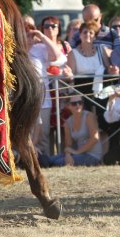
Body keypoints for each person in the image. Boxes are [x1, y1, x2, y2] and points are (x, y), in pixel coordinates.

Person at [27, 22, 66, 157]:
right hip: (24, 98)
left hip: (43, 99)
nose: (29, 37)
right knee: (26, 132)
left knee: (43, 134)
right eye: (26, 33)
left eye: (31, 34)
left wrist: (42, 36)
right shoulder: (15, 49)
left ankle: (44, 161)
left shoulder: (40, 48)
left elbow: (57, 56)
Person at [45, 98, 103, 167]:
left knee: (57, 163)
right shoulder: (67, 122)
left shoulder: (89, 116)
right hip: (78, 153)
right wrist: (68, 154)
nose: (78, 105)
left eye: (80, 102)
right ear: (68, 106)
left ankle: (98, 163)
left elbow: (95, 138)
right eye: (74, 104)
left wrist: (77, 152)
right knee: (48, 160)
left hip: (93, 155)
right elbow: (68, 145)